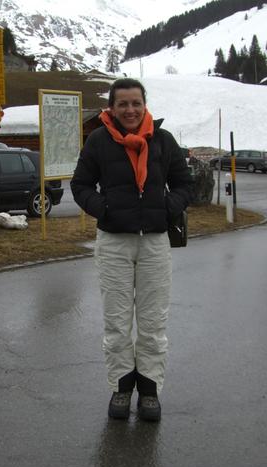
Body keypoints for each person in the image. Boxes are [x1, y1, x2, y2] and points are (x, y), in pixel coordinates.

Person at [71, 78, 194, 422]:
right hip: (114, 242)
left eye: (135, 103)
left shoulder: (163, 140)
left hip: (154, 241)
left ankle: (150, 390)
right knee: (117, 321)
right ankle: (122, 387)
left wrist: (167, 207)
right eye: (122, 103)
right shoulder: (98, 140)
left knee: (153, 321)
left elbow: (184, 184)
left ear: (144, 105)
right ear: (111, 108)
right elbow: (80, 185)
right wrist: (104, 209)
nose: (130, 110)